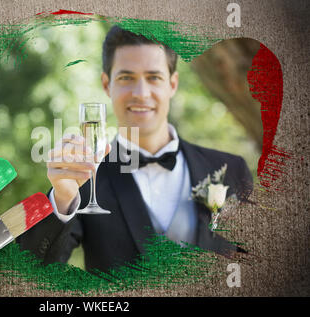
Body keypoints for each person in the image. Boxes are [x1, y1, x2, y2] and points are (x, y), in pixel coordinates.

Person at [18, 26, 253, 273]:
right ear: (107, 84)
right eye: (126, 78)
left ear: (172, 84)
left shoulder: (231, 170)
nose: (141, 94)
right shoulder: (85, 176)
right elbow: (32, 273)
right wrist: (62, 199)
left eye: (154, 77)